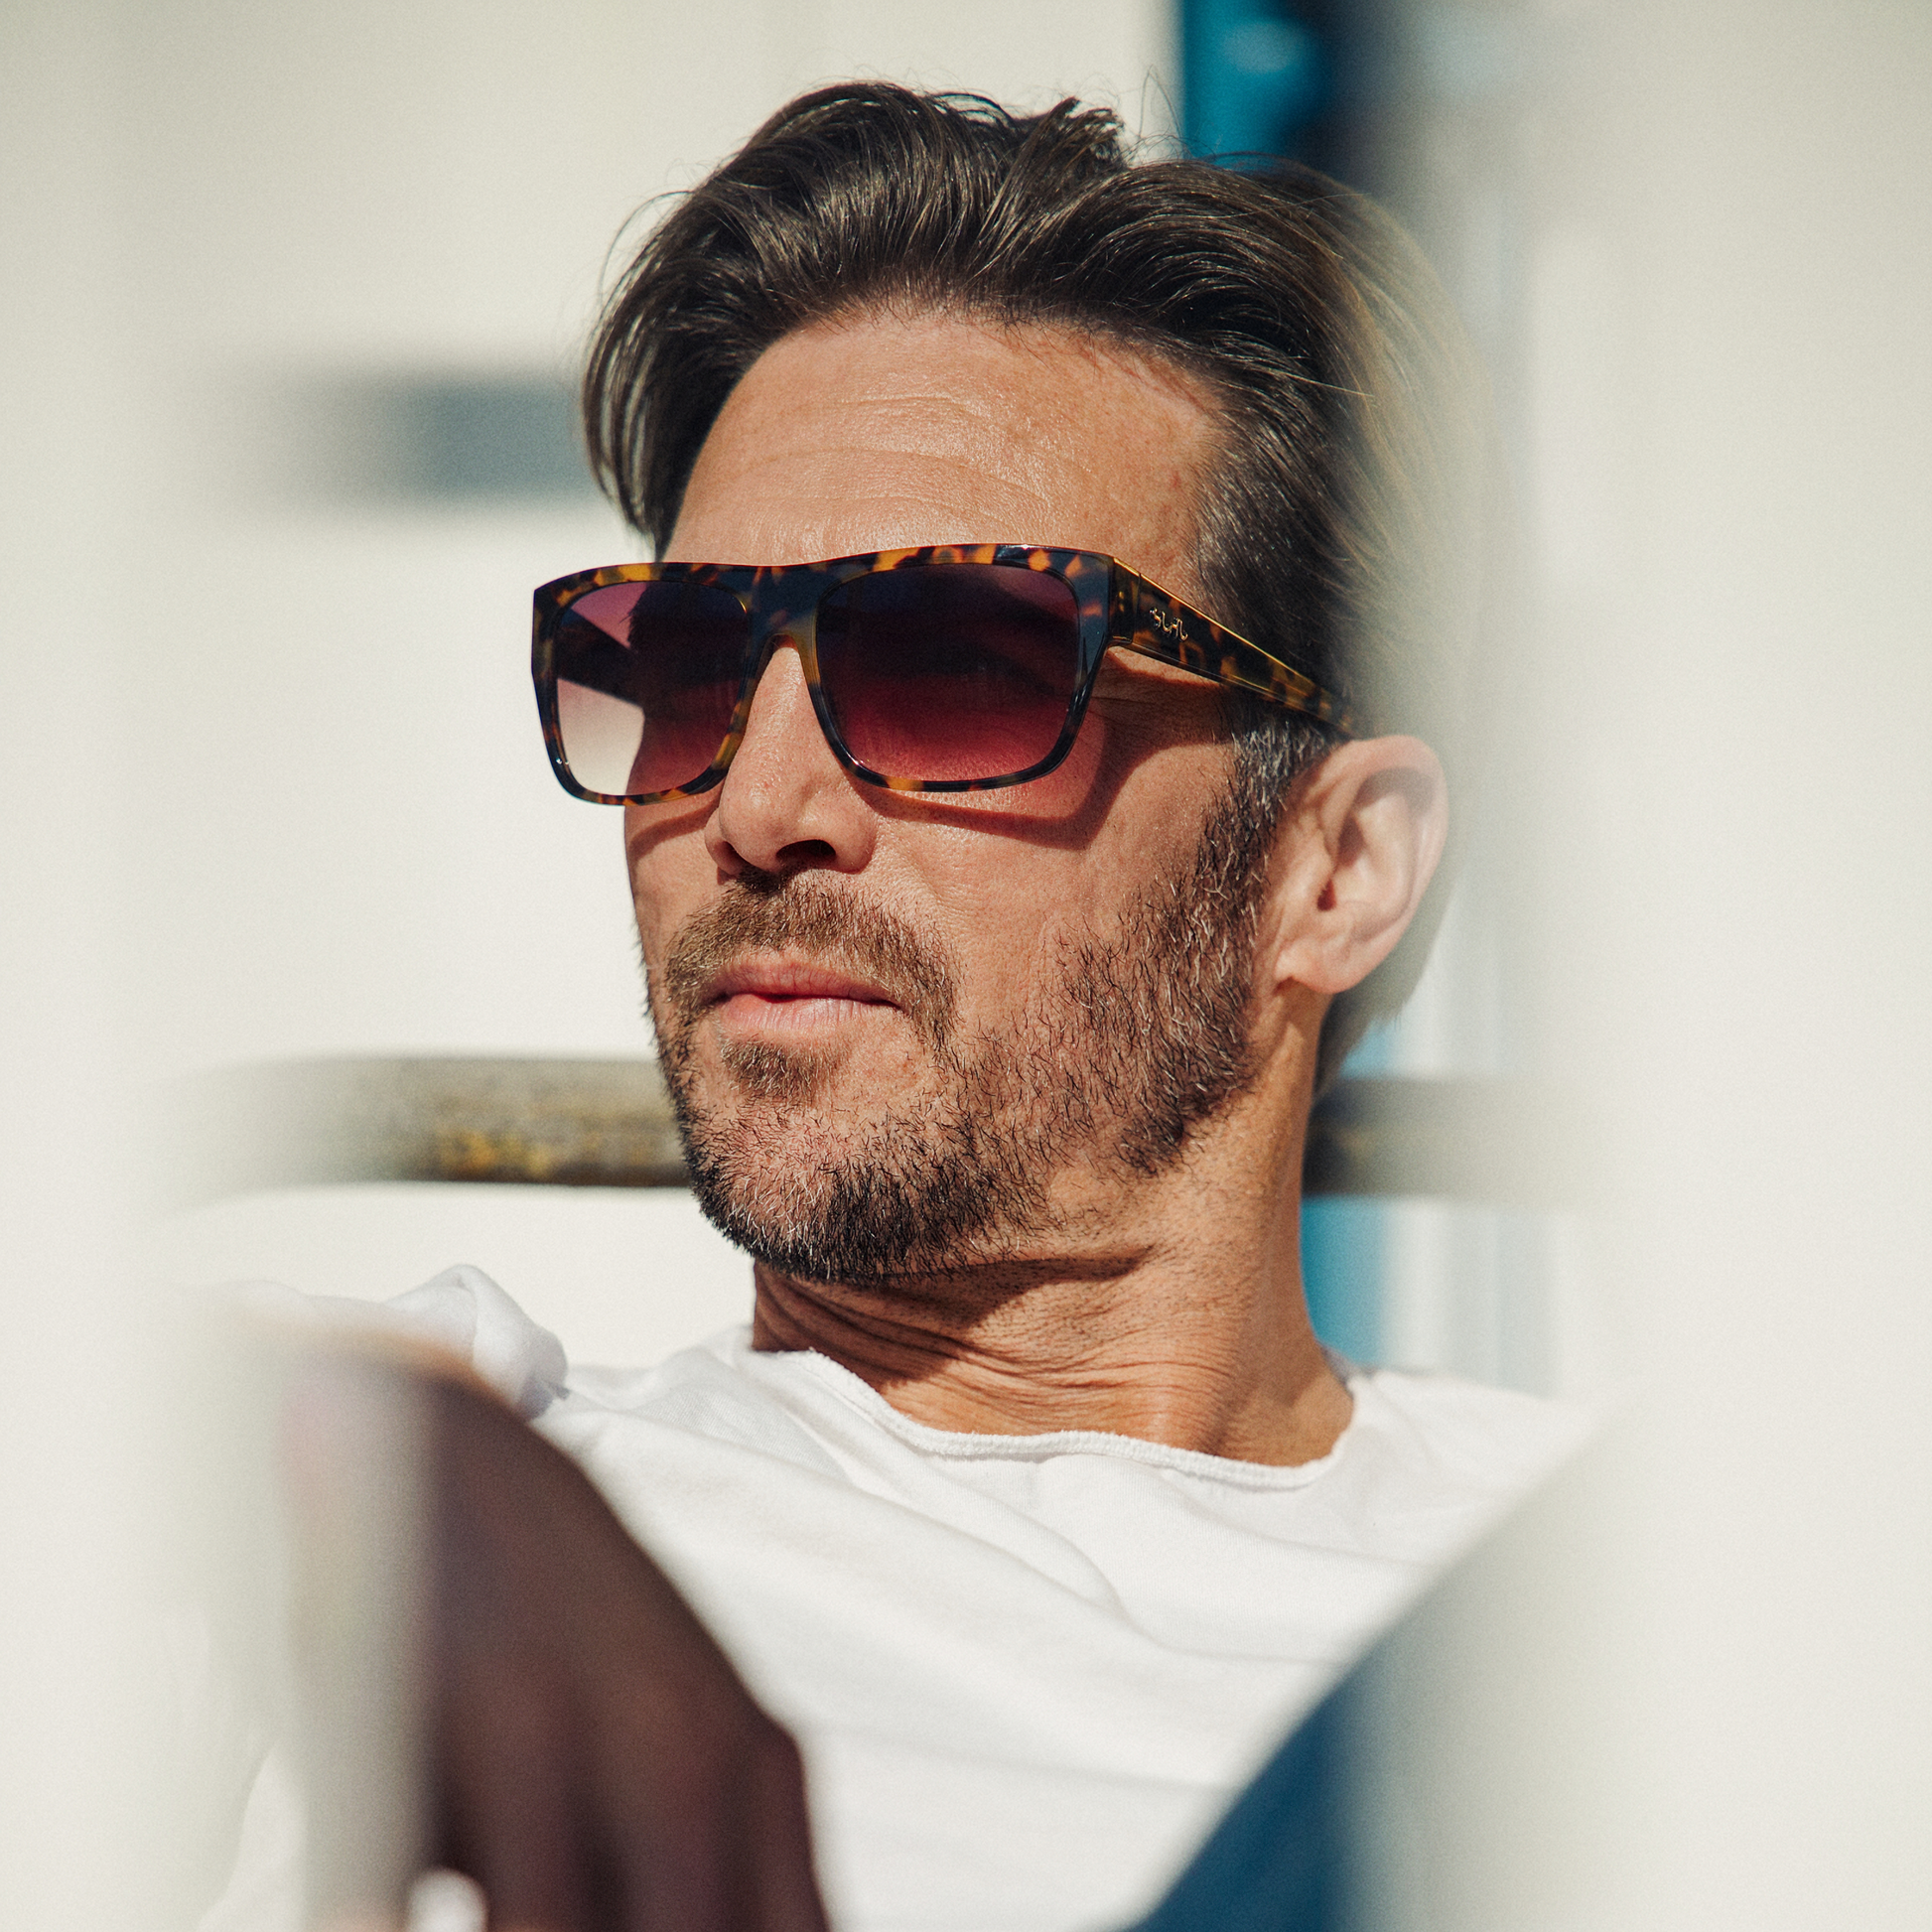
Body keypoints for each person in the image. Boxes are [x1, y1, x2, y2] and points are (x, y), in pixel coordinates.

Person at [223, 81, 1585, 1932]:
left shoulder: (1632, 1588)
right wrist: (286, 1443)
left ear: (1332, 866)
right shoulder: (452, 1476)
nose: (756, 807)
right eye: (681, 667)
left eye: (957, 665)